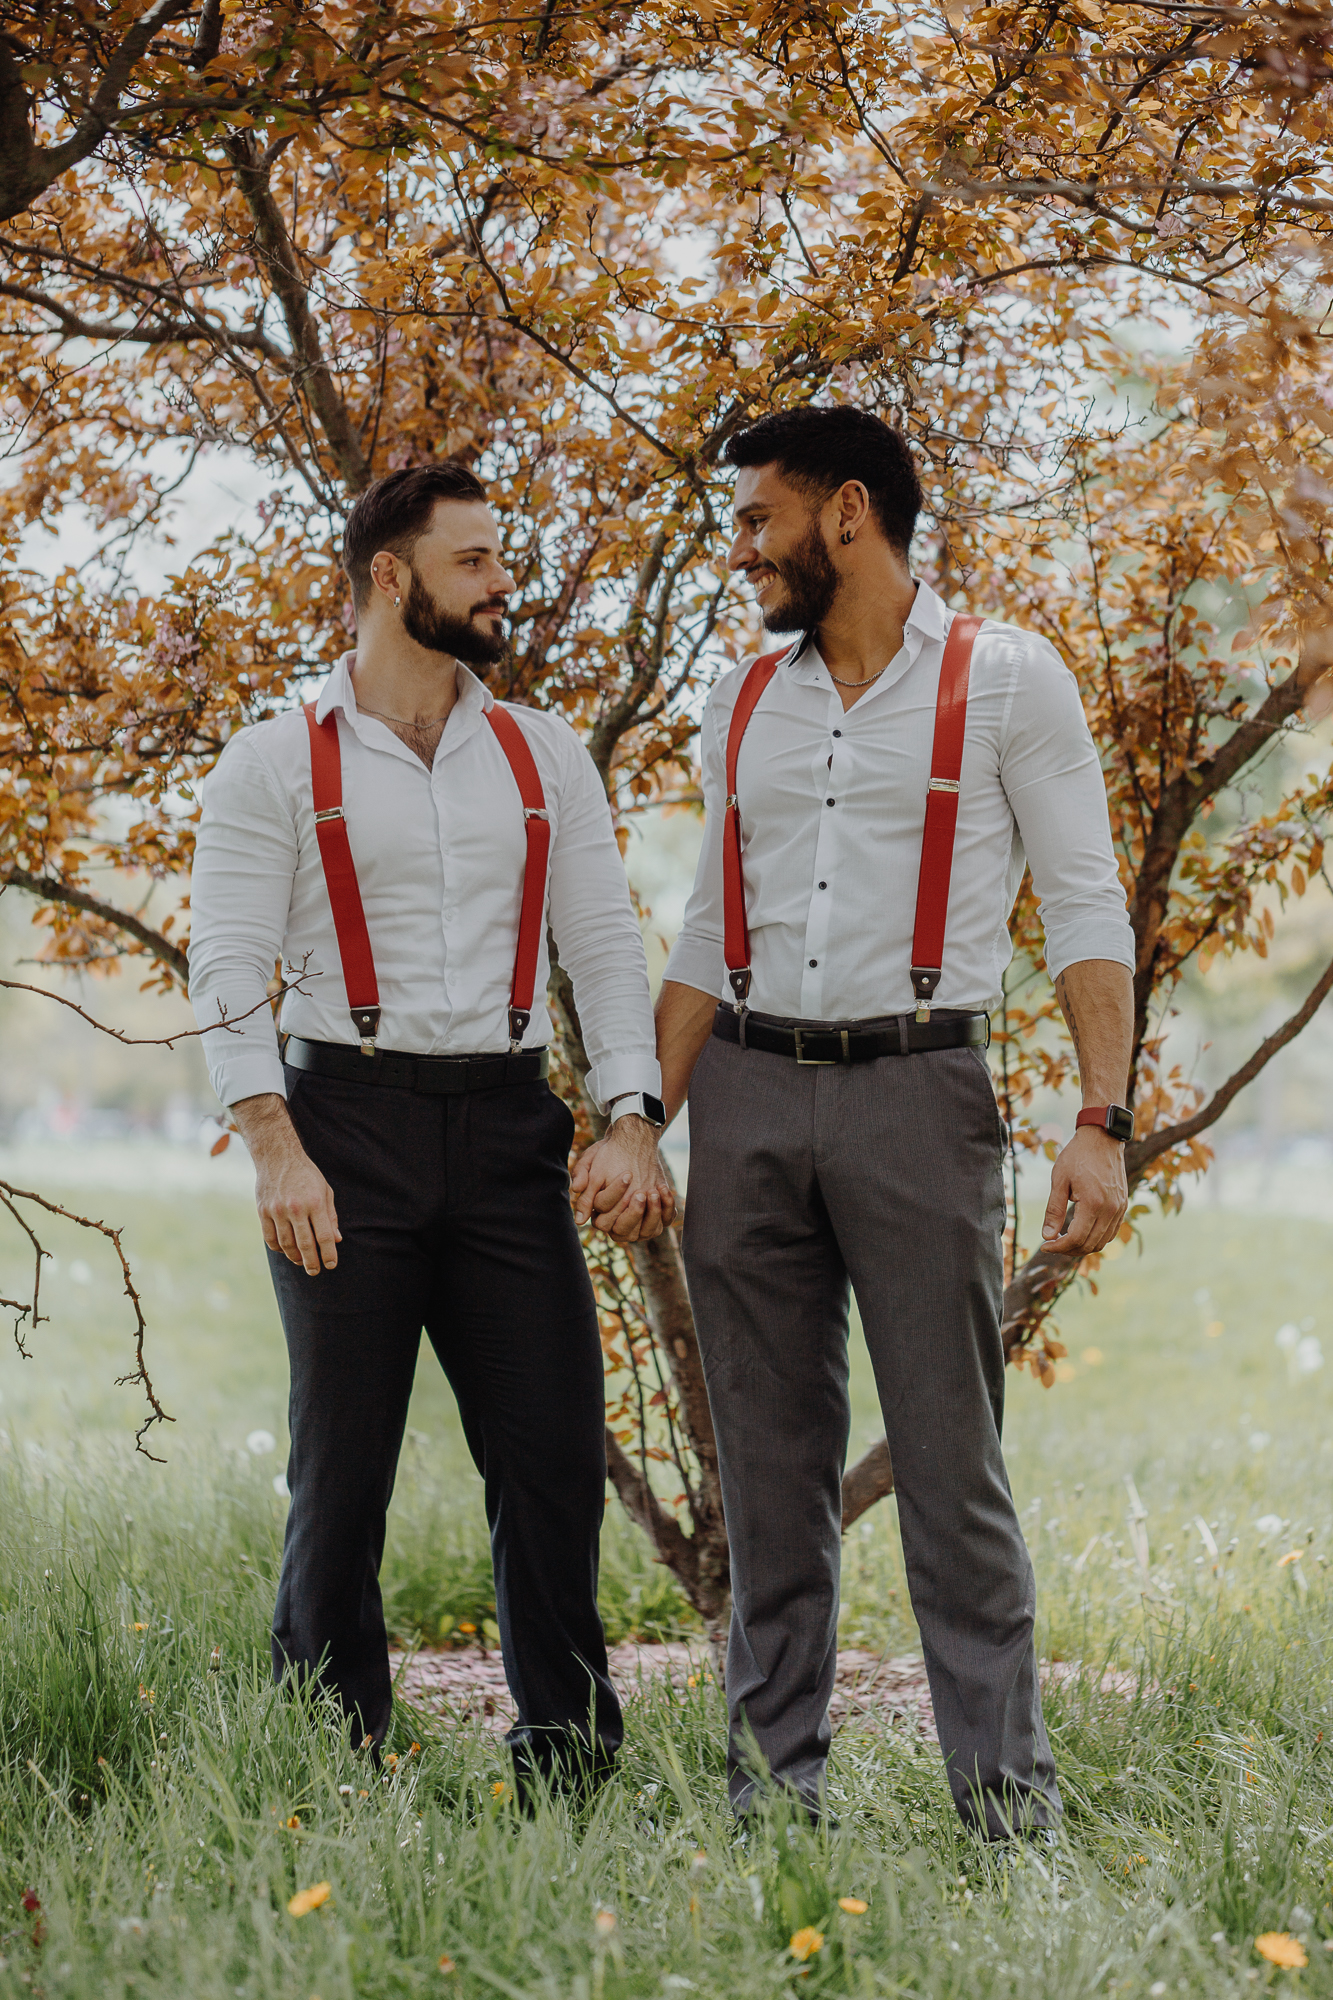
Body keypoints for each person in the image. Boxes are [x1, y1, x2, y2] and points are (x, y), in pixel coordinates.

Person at [654, 406, 1136, 1836]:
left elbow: (1088, 906)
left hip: (919, 1095)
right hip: (739, 1094)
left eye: (758, 519)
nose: (738, 548)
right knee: (767, 1470)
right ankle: (766, 1809)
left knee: (949, 1468)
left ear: (847, 513)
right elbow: (700, 928)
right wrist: (634, 1115)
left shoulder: (1005, 680)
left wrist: (1099, 1119)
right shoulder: (737, 699)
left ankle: (1007, 1818)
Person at [188, 462, 673, 1795]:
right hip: (344, 1126)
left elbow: (606, 953)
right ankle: (327, 1758)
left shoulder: (542, 752)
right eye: (472, 561)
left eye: (495, 559)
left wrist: (630, 1117)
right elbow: (225, 964)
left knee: (552, 1459)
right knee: (339, 1478)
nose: (498, 583)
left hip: (511, 1132)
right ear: (390, 578)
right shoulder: (275, 757)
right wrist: (275, 1147)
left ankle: (566, 1762)